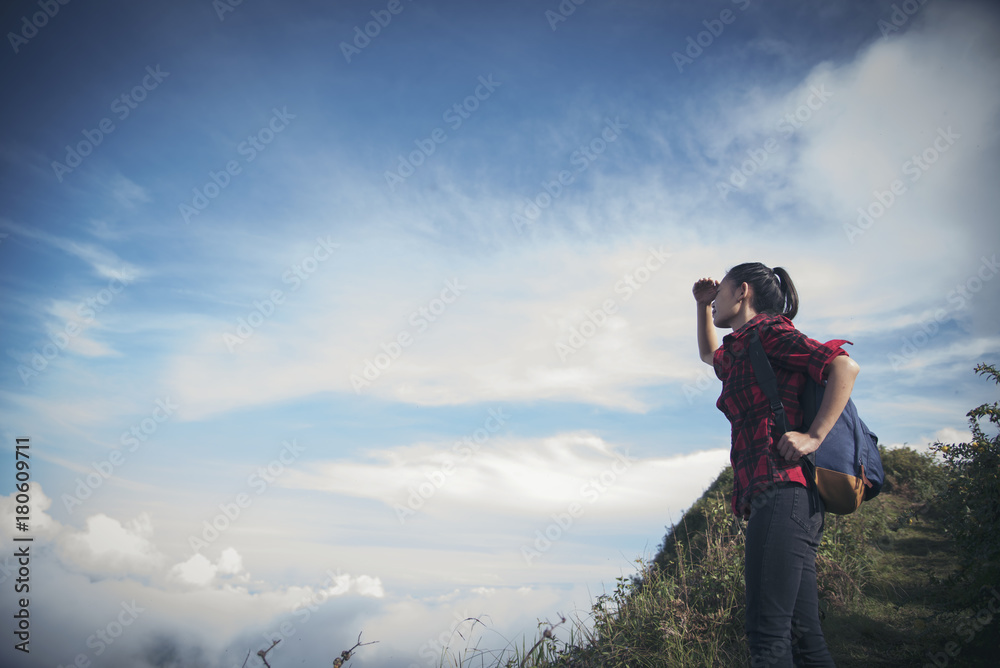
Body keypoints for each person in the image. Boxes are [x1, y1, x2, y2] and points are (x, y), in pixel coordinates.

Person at [692, 262, 859, 667]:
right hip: (787, 500)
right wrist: (700, 306)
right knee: (804, 640)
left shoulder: (769, 332)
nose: (716, 303)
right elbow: (708, 354)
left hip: (782, 491)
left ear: (742, 291)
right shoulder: (740, 348)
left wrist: (813, 436)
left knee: (768, 634)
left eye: (720, 294)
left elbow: (843, 366)